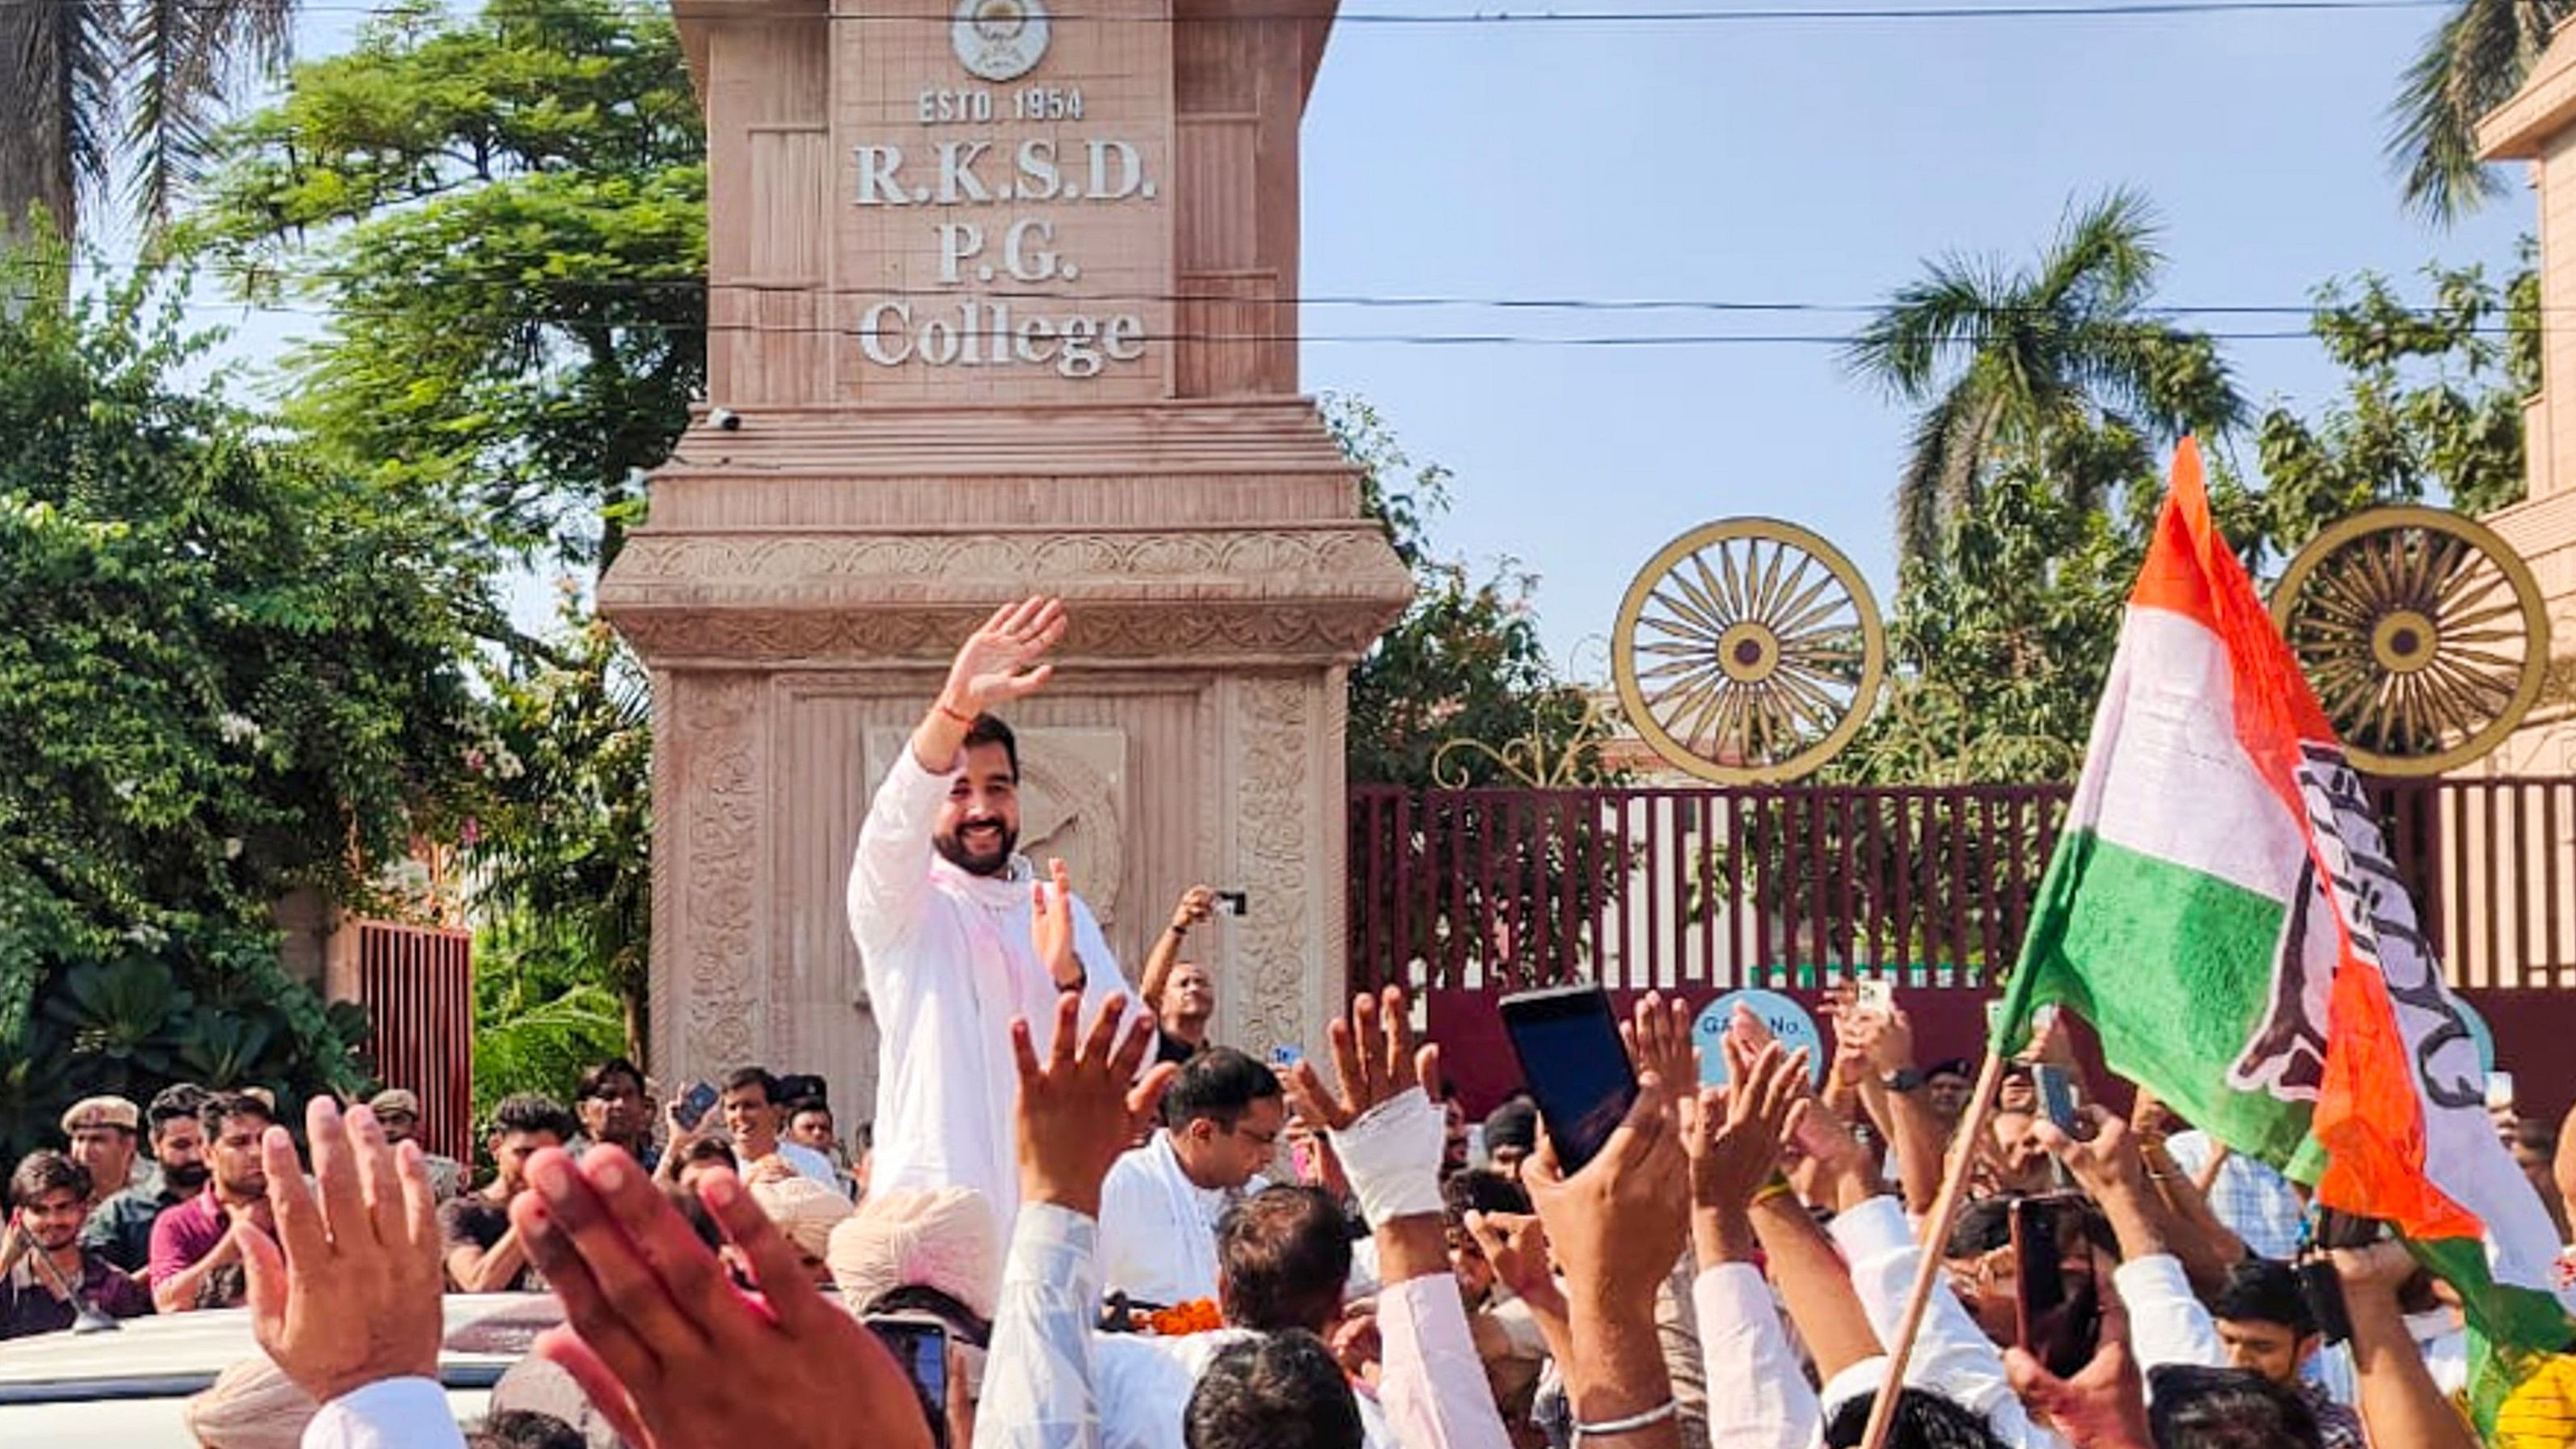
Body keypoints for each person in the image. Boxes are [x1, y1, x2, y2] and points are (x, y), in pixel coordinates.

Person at [843, 596, 1140, 1241]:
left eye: (998, 787)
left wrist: (1071, 977)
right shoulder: (902, 906)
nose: (981, 808)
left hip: (1052, 1224)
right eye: (958, 790)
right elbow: (892, 826)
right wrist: (952, 709)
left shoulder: (1061, 914)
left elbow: (1129, 1059)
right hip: (936, 1231)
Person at [1099, 1047, 1286, 1308]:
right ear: (1204, 1133)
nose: (1270, 1156)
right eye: (1262, 1139)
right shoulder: (1121, 1185)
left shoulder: (1263, 1201)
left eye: (1274, 1139)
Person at [2206, 1259, 2363, 1449]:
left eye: (2262, 1347)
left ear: (2308, 1348)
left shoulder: (2335, 1434)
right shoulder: (2185, 1413)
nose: (2238, 1360)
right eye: (2228, 1341)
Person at [149, 1090, 277, 1312]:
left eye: (263, 1140)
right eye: (239, 1143)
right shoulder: (177, 1223)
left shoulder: (298, 1210)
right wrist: (240, 1237)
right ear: (208, 1155)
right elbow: (170, 1302)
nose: (256, 1152)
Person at [0, 1151, 153, 1337]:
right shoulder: (7, 1286)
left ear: (84, 1210)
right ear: (19, 1216)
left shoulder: (114, 1286)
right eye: (39, 1210)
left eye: (63, 1207)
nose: (53, 1220)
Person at [443, 1093, 580, 1292]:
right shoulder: (460, 1213)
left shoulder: (567, 1214)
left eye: (546, 1156)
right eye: (524, 1153)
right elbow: (478, 1283)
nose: (535, 1166)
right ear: (496, 1147)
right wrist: (532, 1213)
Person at [84, 1080, 210, 1274]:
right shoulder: (119, 1214)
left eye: (202, 1144)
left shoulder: (241, 1204)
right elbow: (98, 1293)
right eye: (181, 1146)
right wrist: (168, 1266)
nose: (195, 1156)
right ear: (155, 1144)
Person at [714, 1067, 841, 1187]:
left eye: (750, 1106)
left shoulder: (813, 1164)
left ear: (775, 1112)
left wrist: (798, 1187)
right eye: (732, 1108)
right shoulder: (714, 1167)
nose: (740, 1115)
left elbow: (837, 1209)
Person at [1139, 884, 1222, 1064]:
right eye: (1183, 983)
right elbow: (1148, 992)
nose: (1194, 988)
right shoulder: (1148, 1048)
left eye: (1201, 982)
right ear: (1162, 1001)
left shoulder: (1220, 1064)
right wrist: (1178, 926)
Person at [371, 1089, 469, 1202]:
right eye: (380, 1121)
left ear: (415, 1127)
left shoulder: (441, 1172)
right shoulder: (361, 1172)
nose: (388, 1129)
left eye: (398, 1120)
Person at [61, 1095, 148, 1207]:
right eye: (80, 1139)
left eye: (97, 1140)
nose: (85, 1151)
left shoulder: (156, 1186)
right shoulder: (61, 1189)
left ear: (128, 1144)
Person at [572, 1057, 659, 1172]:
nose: (620, 1104)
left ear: (643, 1106)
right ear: (583, 1111)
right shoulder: (572, 1173)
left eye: (629, 1095)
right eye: (609, 1096)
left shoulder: (666, 1167)